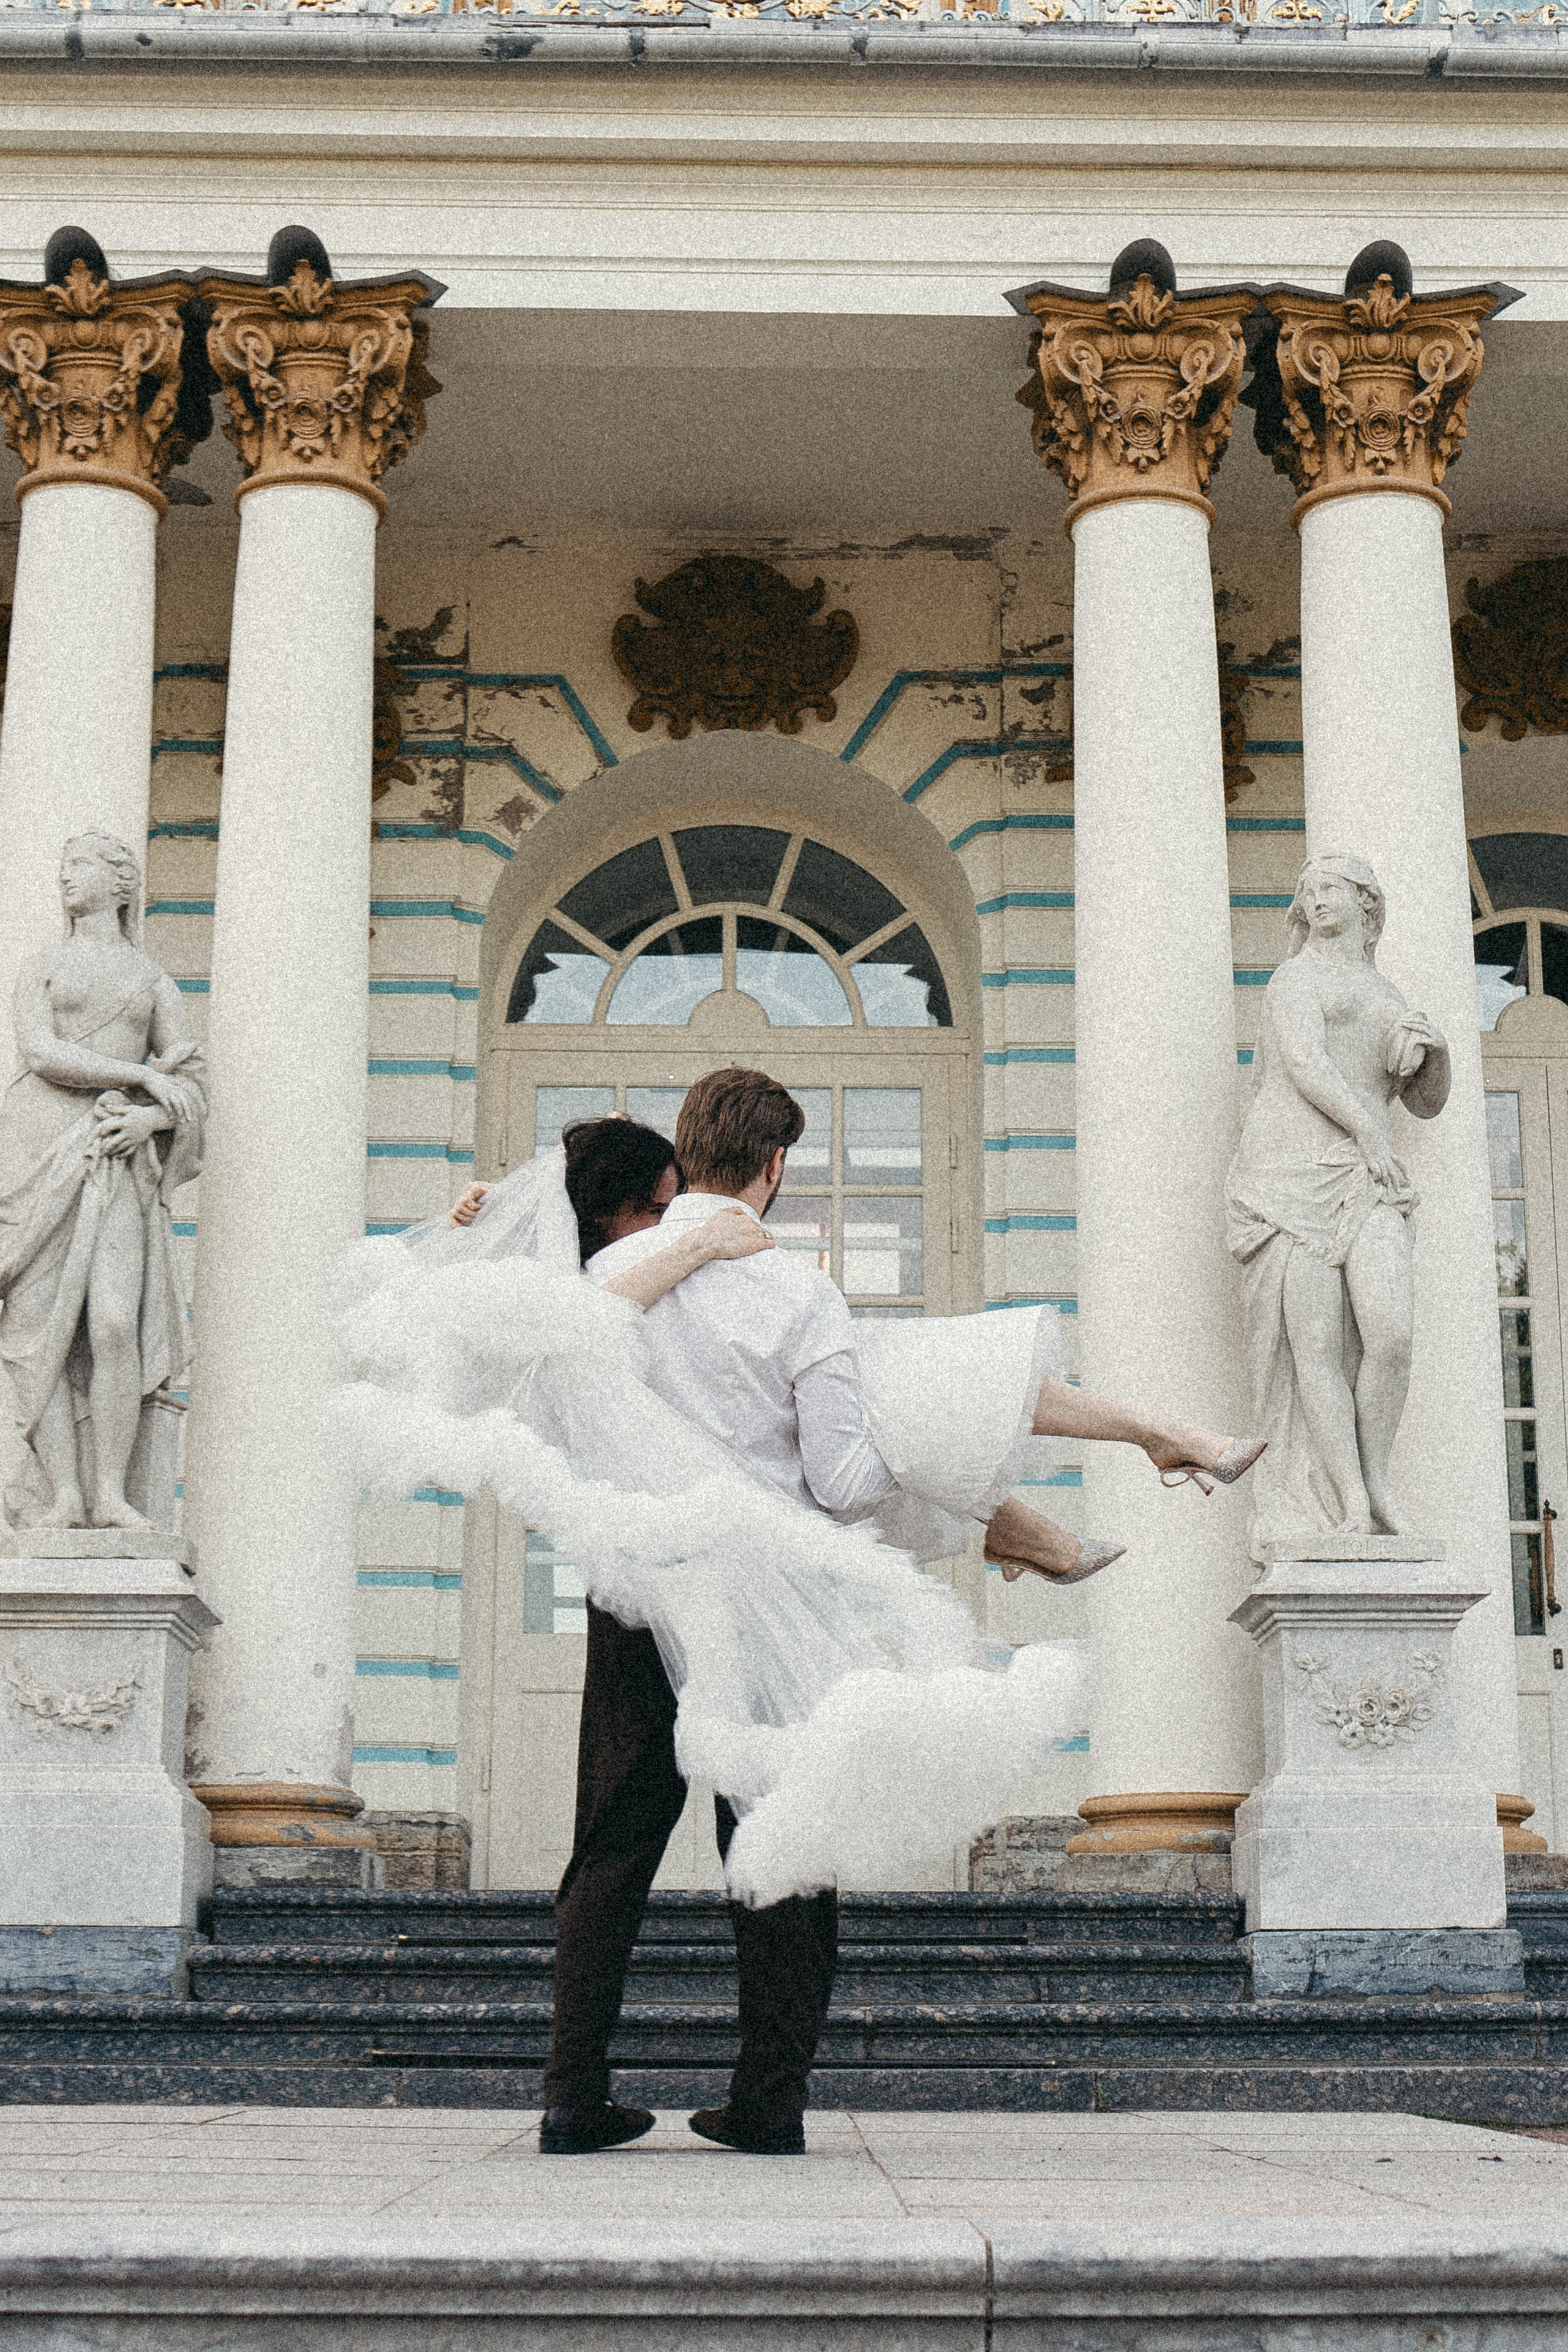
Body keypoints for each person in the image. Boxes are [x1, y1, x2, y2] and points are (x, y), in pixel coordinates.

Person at [1225, 853, 1449, 1549]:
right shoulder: (1295, 978)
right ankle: (1350, 1502)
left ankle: (1377, 1479)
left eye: (1330, 890)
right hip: (1288, 1176)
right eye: (1308, 892)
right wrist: (1366, 1132)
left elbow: (1423, 1101)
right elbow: (1303, 1063)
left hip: (1365, 1175)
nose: (1316, 900)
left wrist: (1435, 1053)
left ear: (1366, 903)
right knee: (1313, 1348)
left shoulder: (1387, 995)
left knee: (1390, 1335)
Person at [0, 834, 205, 1531]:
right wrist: (138, 1075)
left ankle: (113, 1493)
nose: (65, 876)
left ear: (121, 885)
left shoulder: (152, 982)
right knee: (42, 1332)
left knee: (115, 1322)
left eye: (79, 866)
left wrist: (149, 1122)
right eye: (62, 868)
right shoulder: (43, 967)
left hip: (117, 1158)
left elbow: (191, 1083)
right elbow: (39, 1051)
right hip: (36, 1154)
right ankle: (63, 1493)